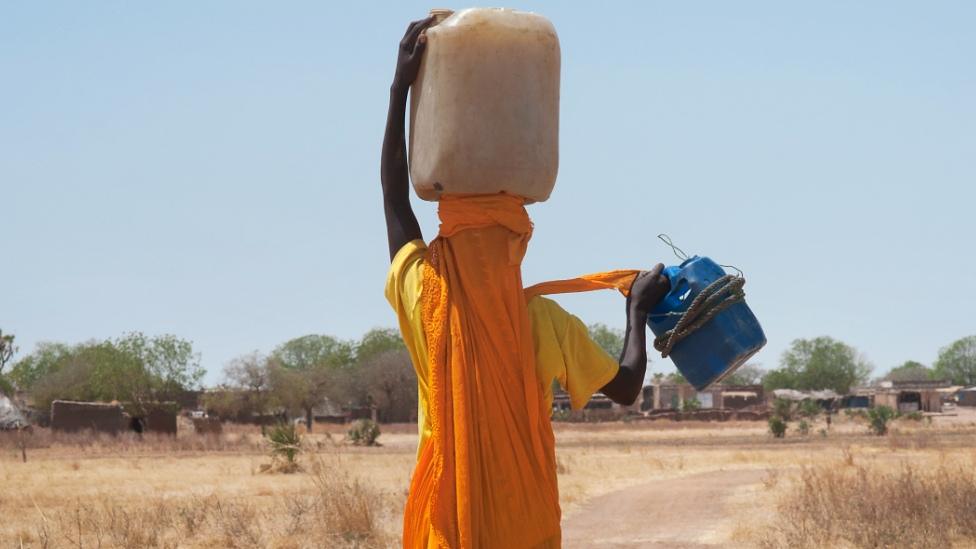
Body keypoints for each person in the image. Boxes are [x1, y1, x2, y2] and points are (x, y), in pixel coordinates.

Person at [382, 17, 671, 548]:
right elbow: (628, 388)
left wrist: (401, 90)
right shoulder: (542, 320)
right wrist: (637, 312)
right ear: (517, 238)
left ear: (448, 229)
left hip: (447, 527)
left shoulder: (426, 298)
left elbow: (397, 204)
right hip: (525, 525)